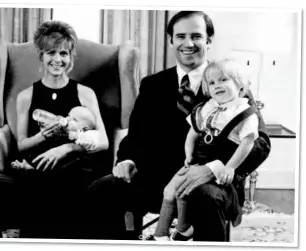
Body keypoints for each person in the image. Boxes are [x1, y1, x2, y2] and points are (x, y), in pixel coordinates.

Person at [87, 11, 270, 241]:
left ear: (209, 40)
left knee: (206, 197)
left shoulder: (229, 82)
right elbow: (136, 137)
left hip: (211, 181)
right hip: (158, 178)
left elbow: (261, 143)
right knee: (102, 190)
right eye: (181, 36)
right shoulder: (152, 84)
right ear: (171, 40)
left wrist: (213, 170)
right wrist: (127, 160)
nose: (188, 43)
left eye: (196, 36)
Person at [13, 20, 108, 239]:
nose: (58, 60)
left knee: (68, 186)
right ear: (41, 56)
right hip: (40, 165)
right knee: (38, 185)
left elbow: (103, 141)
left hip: (75, 164)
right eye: (51, 53)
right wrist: (41, 136)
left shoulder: (85, 93)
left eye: (64, 53)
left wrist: (67, 147)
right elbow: (21, 144)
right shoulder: (26, 96)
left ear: (71, 57)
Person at [148, 59, 260, 241]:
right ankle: (164, 233)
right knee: (170, 191)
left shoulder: (245, 113)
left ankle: (181, 230)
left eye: (224, 80)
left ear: (240, 86)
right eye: (212, 82)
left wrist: (229, 167)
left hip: (220, 168)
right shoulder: (208, 107)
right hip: (198, 161)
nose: (217, 86)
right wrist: (188, 155)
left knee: (189, 192)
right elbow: (193, 132)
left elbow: (247, 143)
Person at [11, 105, 97, 170]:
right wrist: (45, 127)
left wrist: (75, 137)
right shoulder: (64, 130)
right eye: (68, 116)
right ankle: (30, 164)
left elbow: (87, 145)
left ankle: (31, 167)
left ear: (84, 128)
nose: (67, 119)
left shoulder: (85, 136)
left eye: (74, 119)